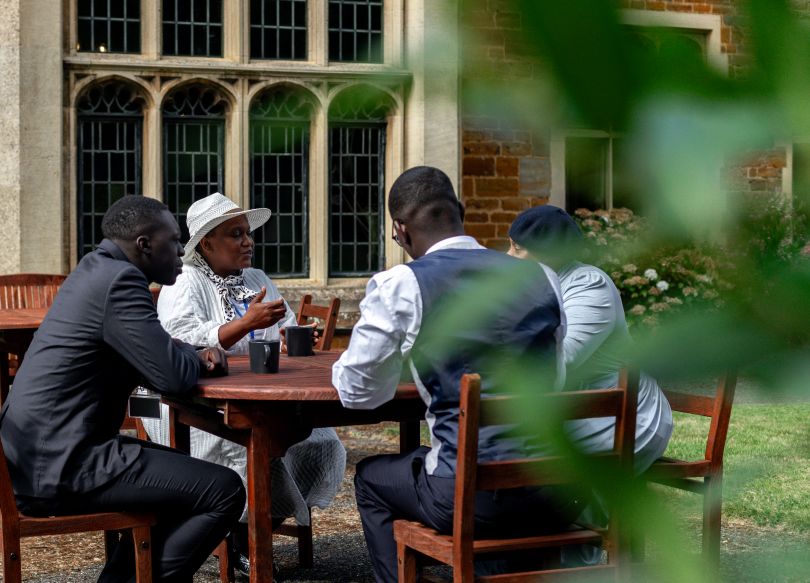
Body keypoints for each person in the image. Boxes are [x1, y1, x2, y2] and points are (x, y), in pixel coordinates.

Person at [332, 166, 584, 583]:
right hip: (555, 490)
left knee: (372, 478)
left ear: (400, 230)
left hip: (472, 499)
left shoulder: (402, 284)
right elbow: (555, 380)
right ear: (461, 212)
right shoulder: (542, 276)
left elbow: (359, 394)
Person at [0, 195, 245, 582]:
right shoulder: (121, 282)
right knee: (224, 489)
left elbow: (153, 350)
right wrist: (199, 359)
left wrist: (189, 352)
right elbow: (172, 377)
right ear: (145, 244)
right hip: (63, 465)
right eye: (174, 240)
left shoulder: (94, 271)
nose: (183, 249)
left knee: (188, 479)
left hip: (38, 455)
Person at [142, 192, 346, 575]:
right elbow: (181, 341)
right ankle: (234, 536)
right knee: (244, 445)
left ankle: (257, 529)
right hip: (199, 402)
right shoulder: (183, 281)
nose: (248, 242)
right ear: (206, 243)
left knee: (319, 440)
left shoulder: (256, 278)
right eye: (236, 234)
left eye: (248, 233)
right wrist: (245, 324)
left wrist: (291, 337)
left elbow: (282, 326)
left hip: (264, 394)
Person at [507, 204, 674, 565]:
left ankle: (581, 556)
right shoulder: (532, 288)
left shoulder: (588, 285)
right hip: (570, 412)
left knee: (520, 466)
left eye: (517, 248)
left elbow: (559, 362)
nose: (508, 256)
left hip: (621, 420)